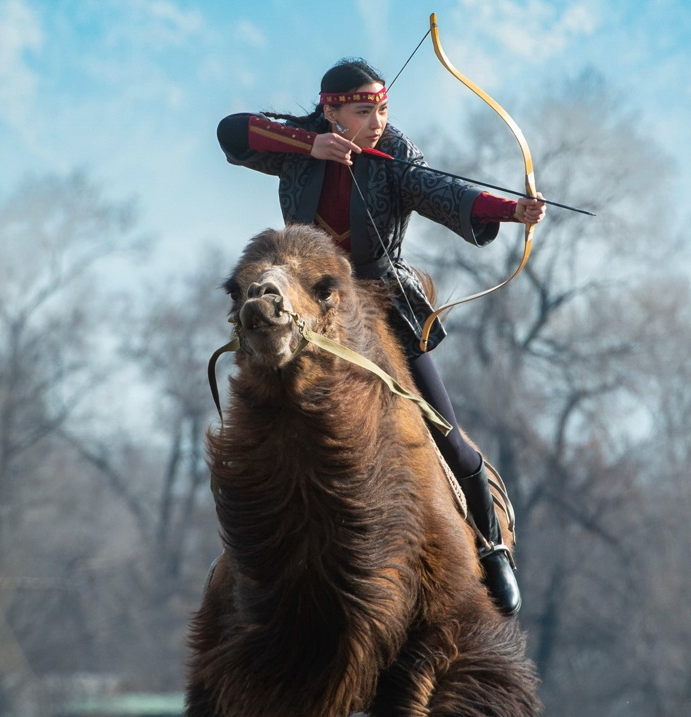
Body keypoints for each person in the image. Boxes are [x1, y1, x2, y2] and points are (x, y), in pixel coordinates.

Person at [216, 58, 545, 617]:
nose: (376, 121)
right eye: (364, 111)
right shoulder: (298, 142)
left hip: (380, 307)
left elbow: (441, 191)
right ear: (331, 110)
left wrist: (509, 208)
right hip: (304, 312)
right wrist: (308, 145)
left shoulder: (394, 155)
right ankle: (248, 562)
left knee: (448, 435)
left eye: (381, 109)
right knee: (257, 431)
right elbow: (231, 130)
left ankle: (490, 550)